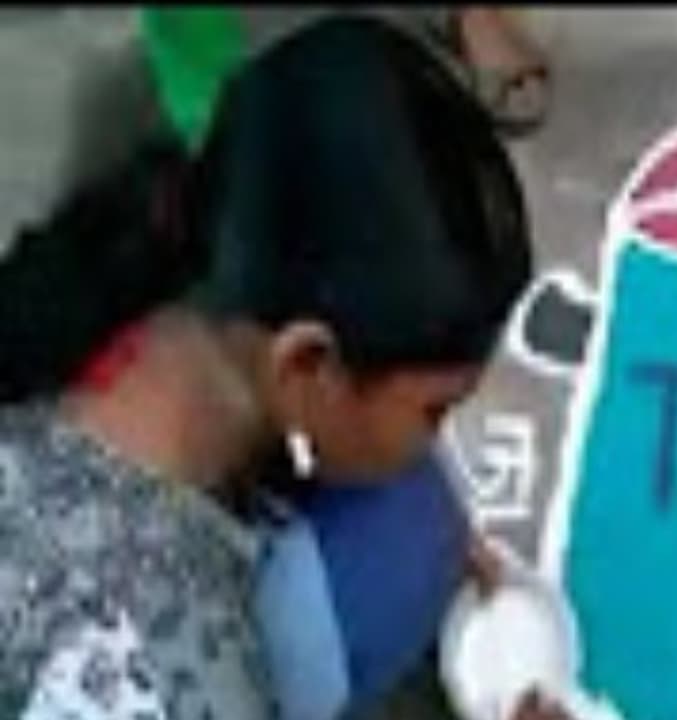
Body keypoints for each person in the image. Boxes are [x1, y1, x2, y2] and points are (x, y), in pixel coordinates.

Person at [0, 15, 548, 719]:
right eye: (433, 410)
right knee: (405, 530)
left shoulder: (84, 317)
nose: (433, 440)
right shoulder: (188, 674)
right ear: (308, 362)